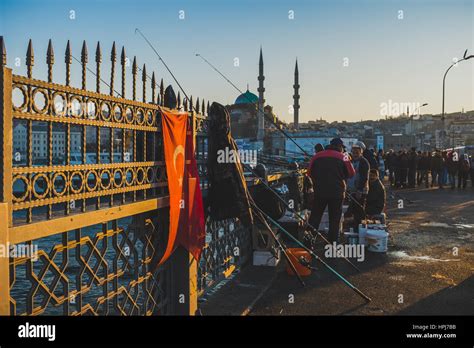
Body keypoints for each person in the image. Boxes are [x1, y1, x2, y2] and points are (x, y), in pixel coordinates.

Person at [307, 137, 355, 243]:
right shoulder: (344, 157)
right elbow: (351, 173)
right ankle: (332, 243)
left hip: (319, 192)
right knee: (334, 219)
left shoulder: (317, 156)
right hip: (337, 194)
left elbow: (309, 173)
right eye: (342, 147)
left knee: (315, 217)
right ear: (339, 147)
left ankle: (308, 241)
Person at [345, 142, 370, 232]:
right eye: (353, 152)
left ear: (361, 152)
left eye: (357, 152)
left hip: (361, 190)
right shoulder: (351, 161)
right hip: (352, 190)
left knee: (359, 209)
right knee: (355, 209)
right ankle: (356, 227)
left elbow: (364, 177)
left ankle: (361, 228)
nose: (355, 154)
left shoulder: (364, 162)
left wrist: (359, 190)